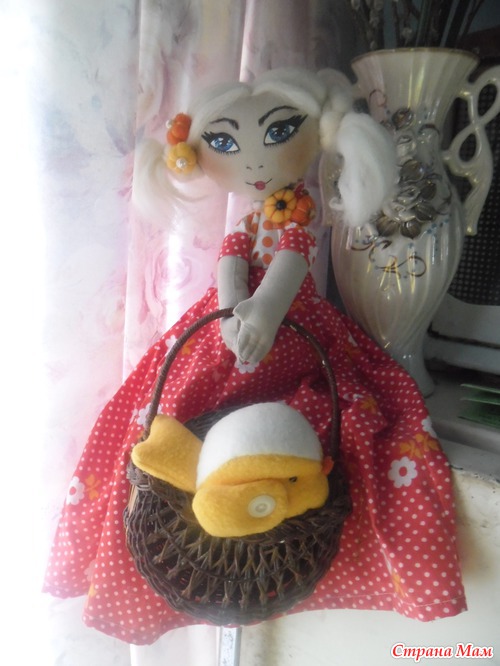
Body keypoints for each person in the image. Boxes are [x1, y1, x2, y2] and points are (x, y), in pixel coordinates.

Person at [43, 68, 466, 645]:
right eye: (223, 142)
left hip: (292, 320)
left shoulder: (299, 211)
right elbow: (231, 263)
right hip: (231, 319)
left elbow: (291, 263)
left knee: (347, 413)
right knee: (167, 406)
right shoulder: (248, 220)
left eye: (279, 133)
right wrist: (233, 313)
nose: (254, 161)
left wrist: (264, 314)